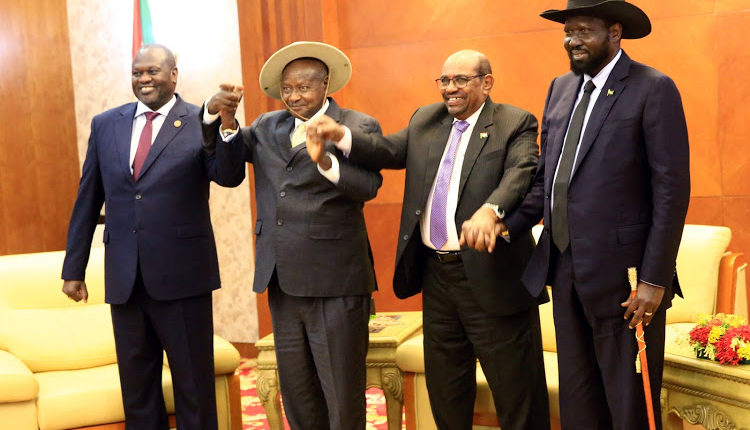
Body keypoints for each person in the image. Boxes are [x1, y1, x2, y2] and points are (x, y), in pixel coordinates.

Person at [308, 50, 549, 430]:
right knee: (446, 389)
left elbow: (521, 171)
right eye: (444, 80)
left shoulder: (513, 121)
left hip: (491, 275)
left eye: (460, 80)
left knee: (517, 393)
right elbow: (389, 151)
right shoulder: (426, 119)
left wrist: (491, 210)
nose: (450, 88)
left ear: (486, 83)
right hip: (437, 276)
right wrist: (341, 134)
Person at [495, 1, 691, 429]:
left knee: (629, 407)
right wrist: (504, 224)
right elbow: (548, 179)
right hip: (565, 272)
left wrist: (654, 280)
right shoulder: (560, 88)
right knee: (579, 405)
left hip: (625, 282)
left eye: (583, 30)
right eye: (568, 31)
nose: (572, 40)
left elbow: (672, 191)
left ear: (614, 32)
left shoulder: (652, 88)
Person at [61, 44, 245, 430]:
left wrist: (226, 125)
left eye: (152, 71)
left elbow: (229, 176)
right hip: (125, 279)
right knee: (138, 390)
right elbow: (88, 198)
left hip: (183, 278)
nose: (144, 79)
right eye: (137, 73)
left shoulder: (200, 119)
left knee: (194, 388)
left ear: (173, 75)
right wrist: (73, 268)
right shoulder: (105, 124)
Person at [202, 41, 382, 430]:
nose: (294, 96)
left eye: (303, 87)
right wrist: (227, 123)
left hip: (335, 281)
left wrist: (325, 161)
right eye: (287, 89)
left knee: (341, 395)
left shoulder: (357, 125)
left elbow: (368, 187)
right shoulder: (267, 126)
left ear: (325, 84)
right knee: (298, 393)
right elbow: (228, 174)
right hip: (281, 279)